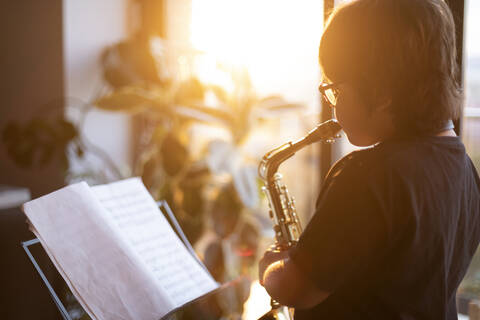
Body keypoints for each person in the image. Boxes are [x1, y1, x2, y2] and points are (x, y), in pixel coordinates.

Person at [258, 0, 480, 319]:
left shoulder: (366, 177)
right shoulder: (465, 168)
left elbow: (296, 288)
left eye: (336, 89)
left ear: (382, 91)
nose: (333, 106)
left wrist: (271, 268)